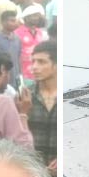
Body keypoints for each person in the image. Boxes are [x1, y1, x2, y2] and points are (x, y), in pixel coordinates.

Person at [19, 40, 57, 170]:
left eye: (41, 62)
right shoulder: (25, 96)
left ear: (56, 65)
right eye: (33, 61)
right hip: (33, 172)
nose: (34, 67)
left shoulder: (68, 98)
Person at [15, 3, 47, 85]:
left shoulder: (40, 32)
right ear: (26, 17)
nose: (37, 18)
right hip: (24, 73)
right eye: (34, 16)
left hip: (39, 72)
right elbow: (16, 54)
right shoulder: (17, 33)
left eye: (37, 16)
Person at [0, 9, 21, 87]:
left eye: (15, 21)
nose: (15, 23)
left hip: (16, 79)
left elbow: (18, 58)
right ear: (3, 22)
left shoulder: (17, 39)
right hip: (3, 80)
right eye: (12, 21)